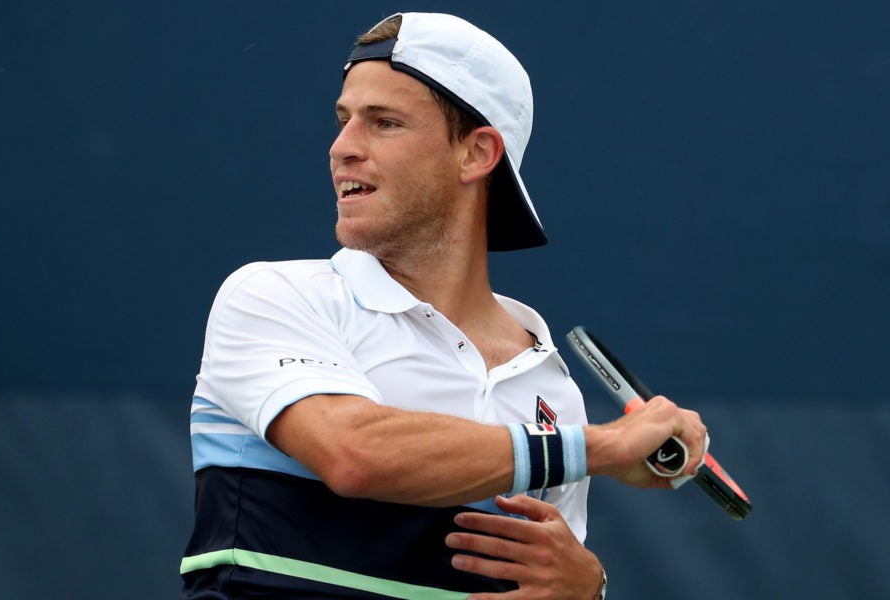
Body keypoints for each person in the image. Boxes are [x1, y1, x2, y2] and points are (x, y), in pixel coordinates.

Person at [180, 12, 707, 600]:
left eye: (383, 123)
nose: (341, 148)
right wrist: (604, 449)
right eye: (343, 120)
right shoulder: (272, 296)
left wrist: (587, 589)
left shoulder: (551, 393)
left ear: (476, 154)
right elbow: (356, 455)